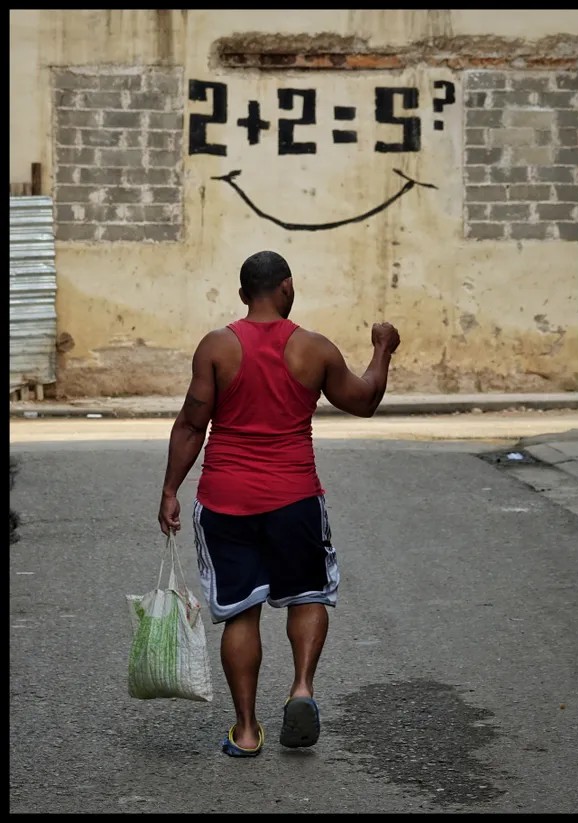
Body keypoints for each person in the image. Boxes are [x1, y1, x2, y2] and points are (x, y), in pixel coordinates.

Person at [158, 250, 400, 757]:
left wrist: (169, 491)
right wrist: (382, 348)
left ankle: (246, 731)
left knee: (241, 614)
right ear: (287, 288)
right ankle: (302, 689)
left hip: (225, 500)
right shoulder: (314, 349)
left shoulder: (217, 346)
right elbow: (365, 400)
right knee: (308, 595)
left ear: (244, 295)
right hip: (295, 499)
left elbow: (190, 425)